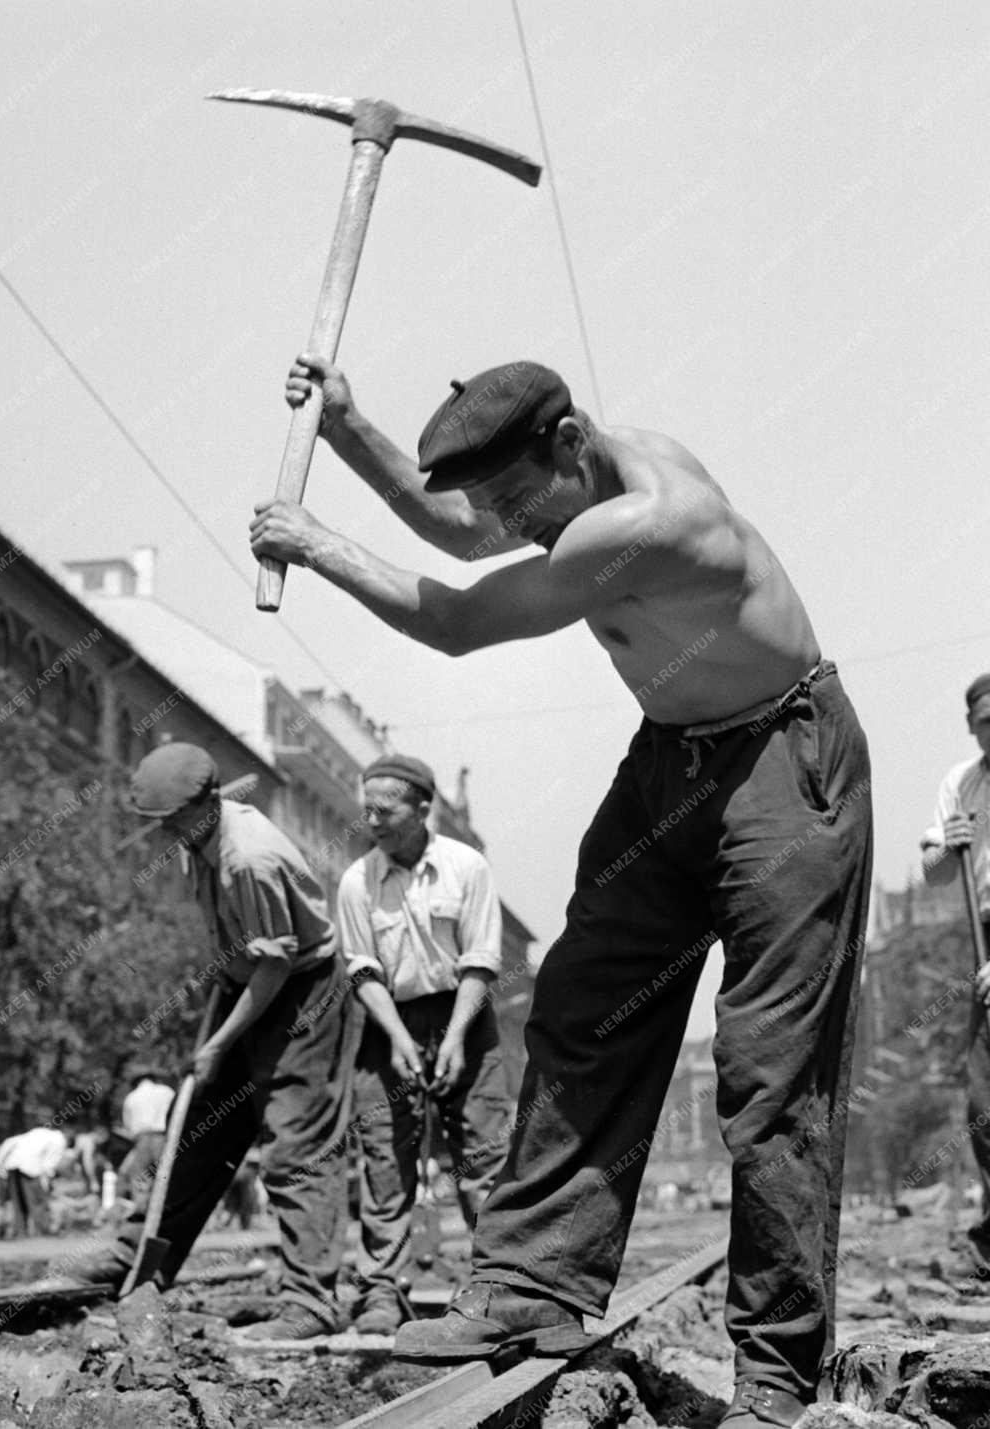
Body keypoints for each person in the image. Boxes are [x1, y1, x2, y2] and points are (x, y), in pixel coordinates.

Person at [249, 355, 873, 1428]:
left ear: (570, 444)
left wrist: (313, 544)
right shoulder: (570, 485)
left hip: (784, 763)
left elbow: (450, 616)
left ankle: (774, 1365)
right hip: (670, 761)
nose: (506, 524)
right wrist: (349, 429)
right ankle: (532, 1288)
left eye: (514, 501)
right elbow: (456, 533)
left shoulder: (652, 519)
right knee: (581, 1013)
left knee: (768, 1074)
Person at [74, 742, 360, 1337]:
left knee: (294, 1140)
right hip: (245, 979)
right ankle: (141, 1254)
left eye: (170, 823)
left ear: (202, 808)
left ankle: (311, 1299)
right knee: (198, 1123)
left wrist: (219, 1042)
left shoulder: (249, 859)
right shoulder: (197, 836)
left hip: (301, 989)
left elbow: (276, 966)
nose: (162, 836)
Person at [338, 752, 512, 1333]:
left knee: (483, 1154)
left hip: (465, 1013)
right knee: (386, 1158)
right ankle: (382, 1291)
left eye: (386, 809)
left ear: (422, 808)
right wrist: (395, 1039)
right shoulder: (356, 881)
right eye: (367, 811)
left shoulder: (467, 868)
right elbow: (362, 969)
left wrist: (457, 1038)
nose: (374, 821)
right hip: (389, 1017)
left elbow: (481, 959)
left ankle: (495, 1286)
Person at [920, 673, 990, 1265]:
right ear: (972, 725)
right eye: (986, 721)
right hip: (982, 936)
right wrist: (947, 844)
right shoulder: (960, 783)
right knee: (984, 1100)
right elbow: (934, 871)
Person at [0, 1125, 73, 1236]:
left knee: (19, 1203)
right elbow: (49, 1164)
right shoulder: (59, 1140)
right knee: (38, 1202)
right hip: (30, 1169)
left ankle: (21, 1233)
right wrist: (48, 1182)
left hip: (12, 1164)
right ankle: (41, 1232)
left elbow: (9, 1141)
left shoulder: (38, 1132)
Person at [116, 1067, 175, 1208]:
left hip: (141, 1139)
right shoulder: (167, 1092)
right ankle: (170, 1208)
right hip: (163, 1138)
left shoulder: (131, 1097)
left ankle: (141, 1211)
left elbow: (128, 1125)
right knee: (167, 1175)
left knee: (141, 1177)